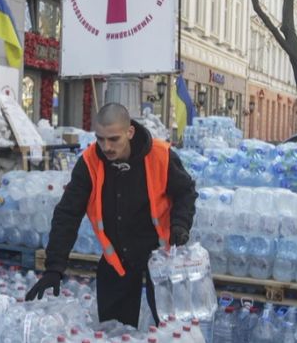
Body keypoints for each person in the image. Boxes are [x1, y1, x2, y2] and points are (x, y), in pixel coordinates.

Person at [25, 103, 197, 327]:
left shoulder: (160, 155)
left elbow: (186, 192)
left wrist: (180, 225)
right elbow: (68, 213)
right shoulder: (90, 162)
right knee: (115, 334)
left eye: (114, 139)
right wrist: (54, 267)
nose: (106, 146)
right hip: (117, 259)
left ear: (130, 132)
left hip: (160, 256)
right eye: (100, 139)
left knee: (171, 330)